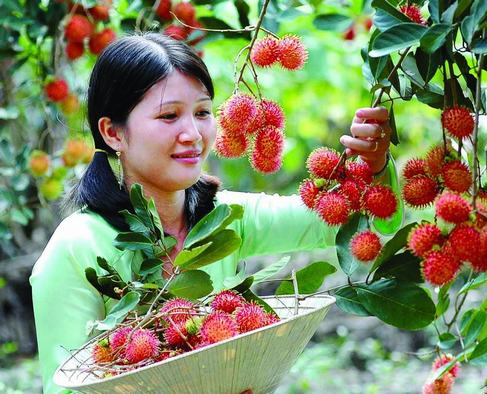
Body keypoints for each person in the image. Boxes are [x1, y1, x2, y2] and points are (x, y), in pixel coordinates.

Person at [29, 33, 397, 393]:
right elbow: (67, 387)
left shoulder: (224, 216)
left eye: (202, 112)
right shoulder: (75, 249)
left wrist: (376, 166)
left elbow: (352, 221)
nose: (192, 133)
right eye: (169, 115)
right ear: (113, 133)